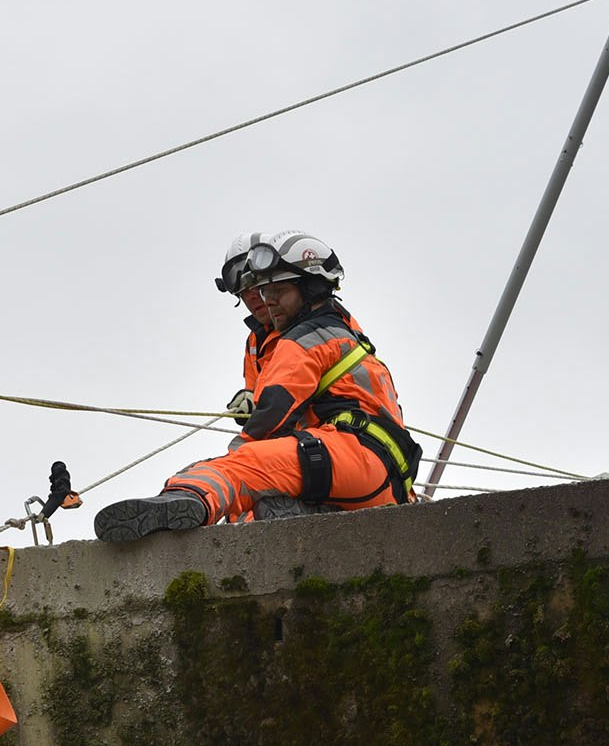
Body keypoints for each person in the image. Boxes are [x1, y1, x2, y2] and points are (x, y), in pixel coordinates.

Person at [95, 231, 419, 541]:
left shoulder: (303, 338)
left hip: (352, 455)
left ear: (309, 288)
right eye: (264, 292)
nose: (267, 300)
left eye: (278, 290)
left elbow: (271, 415)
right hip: (385, 480)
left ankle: (186, 495)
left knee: (240, 470)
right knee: (250, 510)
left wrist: (237, 459)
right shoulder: (344, 331)